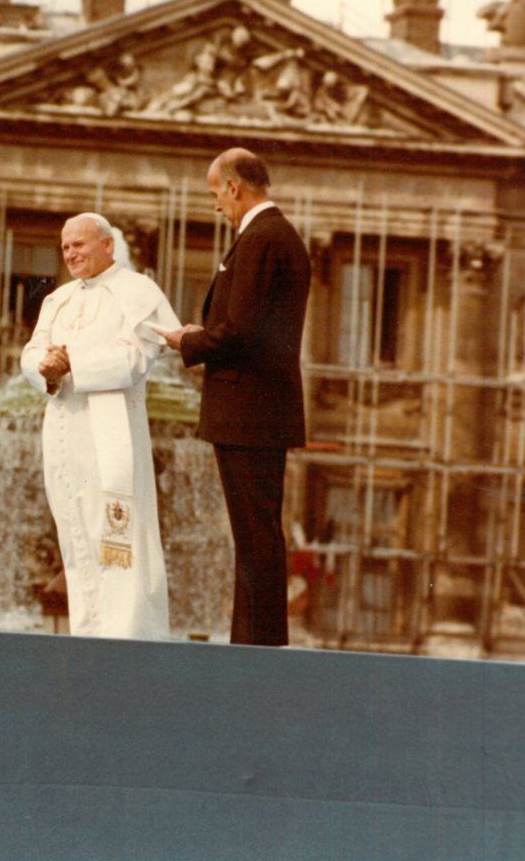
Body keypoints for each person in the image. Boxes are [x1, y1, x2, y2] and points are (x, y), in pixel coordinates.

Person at [157, 149, 310, 646]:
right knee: (254, 532)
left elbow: (241, 329)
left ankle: (258, 644)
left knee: (255, 532)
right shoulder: (272, 236)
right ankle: (252, 640)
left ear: (234, 188)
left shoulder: (263, 238)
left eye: (215, 194)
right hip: (255, 408)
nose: (216, 205)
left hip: (250, 409)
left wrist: (188, 340)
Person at [21, 213, 181, 639]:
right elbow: (32, 350)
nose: (71, 253)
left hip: (111, 431)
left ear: (108, 245)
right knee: (75, 532)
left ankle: (128, 639)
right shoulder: (59, 299)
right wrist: (45, 366)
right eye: (65, 247)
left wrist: (74, 364)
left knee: (118, 538)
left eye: (80, 244)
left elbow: (137, 359)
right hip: (64, 428)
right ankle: (87, 633)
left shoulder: (139, 291)